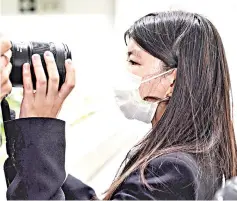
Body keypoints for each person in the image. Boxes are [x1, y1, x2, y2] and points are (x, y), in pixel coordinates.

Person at [1, 10, 237, 200]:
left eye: (133, 61)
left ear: (172, 81)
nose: (124, 71)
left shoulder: (173, 171)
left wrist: (40, 126)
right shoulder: (200, 157)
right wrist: (26, 136)